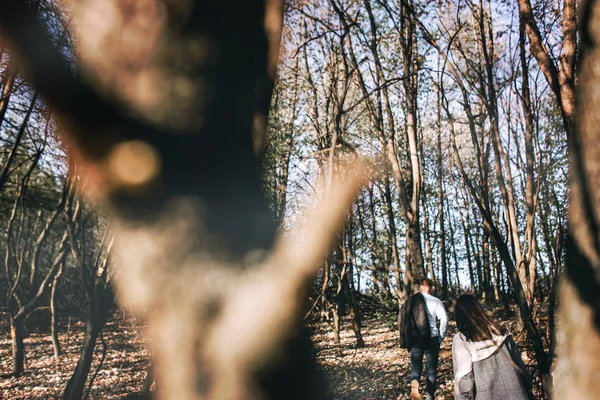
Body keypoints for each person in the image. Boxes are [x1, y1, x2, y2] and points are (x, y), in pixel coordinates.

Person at [452, 294, 534, 400]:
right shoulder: (502, 332)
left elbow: (465, 378)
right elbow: (520, 366)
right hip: (517, 393)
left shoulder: (463, 339)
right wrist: (528, 391)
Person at [398, 278, 448, 400]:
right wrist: (440, 336)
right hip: (431, 337)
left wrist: (406, 338)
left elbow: (402, 320)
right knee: (431, 368)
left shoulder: (410, 302)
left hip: (415, 338)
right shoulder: (436, 301)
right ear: (431, 288)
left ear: (420, 287)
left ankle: (415, 382)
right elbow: (445, 320)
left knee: (416, 366)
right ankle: (429, 395)